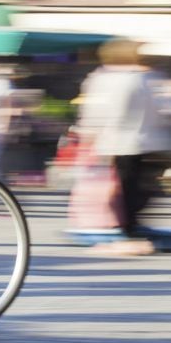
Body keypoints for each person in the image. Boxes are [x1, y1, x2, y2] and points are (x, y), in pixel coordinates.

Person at [73, 38, 171, 255]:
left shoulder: (102, 78)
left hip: (119, 143)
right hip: (151, 142)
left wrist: (89, 136)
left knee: (127, 190)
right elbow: (164, 108)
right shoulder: (149, 77)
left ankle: (129, 228)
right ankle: (131, 228)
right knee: (141, 190)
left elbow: (95, 112)